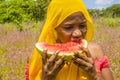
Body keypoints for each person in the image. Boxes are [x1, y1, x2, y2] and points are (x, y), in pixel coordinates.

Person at [25, 0, 114, 80]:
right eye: (68, 27)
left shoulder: (96, 51)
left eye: (82, 25)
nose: (78, 33)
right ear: (54, 27)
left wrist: (94, 75)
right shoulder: (37, 58)